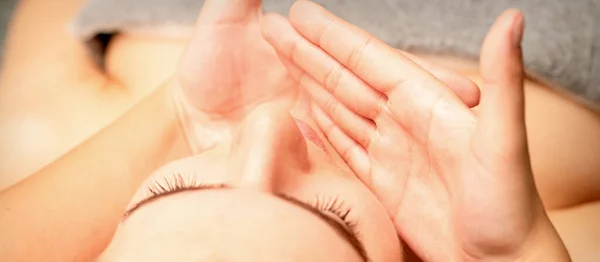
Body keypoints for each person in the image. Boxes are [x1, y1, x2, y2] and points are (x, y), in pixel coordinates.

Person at [0, 0, 593, 261]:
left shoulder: (44, 130)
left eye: (171, 188)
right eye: (333, 213)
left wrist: (181, 116)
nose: (267, 127)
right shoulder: (527, 224)